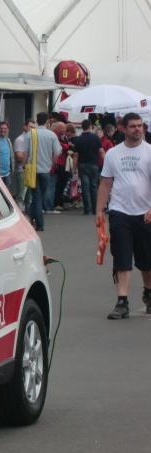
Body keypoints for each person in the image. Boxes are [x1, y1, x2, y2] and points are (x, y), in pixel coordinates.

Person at [96, 112, 151, 319]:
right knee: (121, 256)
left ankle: (149, 292)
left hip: (145, 213)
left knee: (147, 260)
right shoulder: (113, 154)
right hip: (119, 211)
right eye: (133, 126)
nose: (137, 129)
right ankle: (122, 301)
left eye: (140, 126)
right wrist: (99, 211)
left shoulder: (149, 151)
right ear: (124, 128)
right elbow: (105, 183)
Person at [28, 112, 61, 231]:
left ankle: (31, 219)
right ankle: (39, 223)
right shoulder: (51, 135)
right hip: (46, 170)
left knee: (36, 197)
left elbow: (25, 152)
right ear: (47, 121)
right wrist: (52, 163)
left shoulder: (31, 134)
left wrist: (25, 165)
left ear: (37, 121)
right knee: (39, 197)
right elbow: (57, 152)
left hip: (32, 170)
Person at [75, 119, 105, 215]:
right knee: (94, 186)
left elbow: (76, 155)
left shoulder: (78, 139)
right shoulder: (95, 138)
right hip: (94, 165)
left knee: (85, 187)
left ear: (82, 127)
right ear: (90, 126)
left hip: (82, 165)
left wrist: (74, 167)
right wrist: (106, 163)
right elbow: (101, 151)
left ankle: (87, 209)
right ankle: (95, 209)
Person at [14, 118, 36, 210]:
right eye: (30, 127)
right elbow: (19, 157)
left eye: (34, 128)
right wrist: (30, 156)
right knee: (21, 195)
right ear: (25, 127)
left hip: (31, 171)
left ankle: (28, 214)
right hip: (22, 171)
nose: (32, 130)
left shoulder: (33, 140)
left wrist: (26, 154)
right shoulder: (20, 139)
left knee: (29, 197)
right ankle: (19, 213)